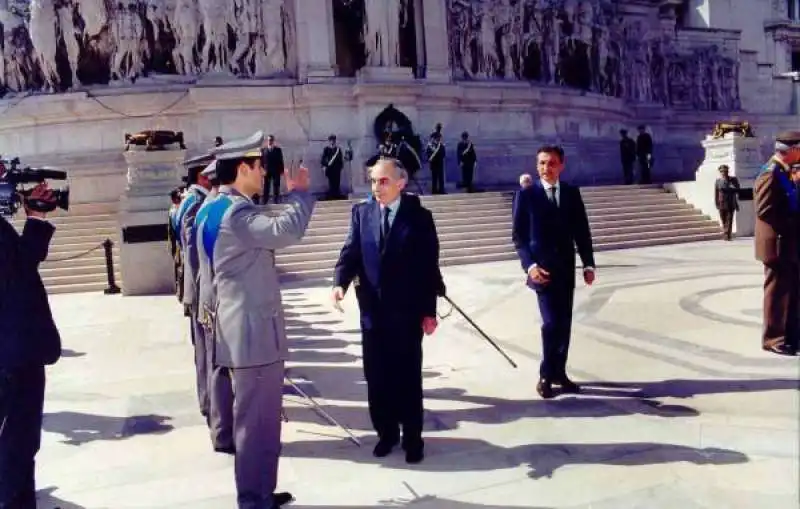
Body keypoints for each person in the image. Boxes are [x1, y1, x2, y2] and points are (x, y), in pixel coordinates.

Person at [206, 131, 315, 508]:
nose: (263, 172)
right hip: (253, 334)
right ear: (242, 169)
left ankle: (261, 493)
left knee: (259, 422)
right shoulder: (237, 212)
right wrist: (299, 193)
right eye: (258, 165)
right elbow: (286, 231)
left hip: (237, 327)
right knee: (257, 424)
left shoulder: (211, 207)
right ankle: (254, 499)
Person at [331, 158, 441, 464]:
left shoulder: (419, 218)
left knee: (407, 377)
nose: (377, 187)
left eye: (383, 181)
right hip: (372, 314)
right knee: (377, 377)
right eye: (373, 181)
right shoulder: (361, 213)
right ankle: (387, 433)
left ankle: (413, 438)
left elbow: (428, 268)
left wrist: (429, 311)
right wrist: (339, 283)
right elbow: (350, 253)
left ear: (401, 183)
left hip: (406, 315)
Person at [512, 145, 596, 399]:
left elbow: (582, 231)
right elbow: (519, 237)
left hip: (566, 269)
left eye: (551, 163)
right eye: (541, 163)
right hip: (541, 270)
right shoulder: (526, 195)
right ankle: (546, 375)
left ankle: (559, 372)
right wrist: (530, 266)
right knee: (550, 324)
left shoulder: (571, 193)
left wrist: (588, 264)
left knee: (564, 324)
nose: (545, 168)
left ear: (561, 165)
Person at [0, 184, 62, 508]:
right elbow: (18, 274)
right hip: (12, 357)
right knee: (16, 445)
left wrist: (35, 218)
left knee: (21, 446)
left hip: (14, 353)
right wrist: (35, 220)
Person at [192, 160, 236, 454]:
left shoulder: (206, 208)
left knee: (214, 364)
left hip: (207, 296)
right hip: (223, 301)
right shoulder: (226, 210)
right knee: (222, 369)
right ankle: (225, 434)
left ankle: (220, 430)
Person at [754, 130, 800, 356]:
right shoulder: (770, 173)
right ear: (791, 150)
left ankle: (792, 336)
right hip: (777, 243)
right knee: (777, 291)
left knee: (792, 290)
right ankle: (773, 338)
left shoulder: (784, 172)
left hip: (789, 242)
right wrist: (792, 222)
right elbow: (763, 210)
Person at [175, 153, 214, 420]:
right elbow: (192, 250)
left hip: (195, 287)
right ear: (203, 175)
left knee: (204, 351)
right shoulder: (196, 202)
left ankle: (209, 400)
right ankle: (210, 402)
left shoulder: (192, 200)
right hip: (201, 287)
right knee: (206, 352)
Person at [714, 164, 740, 241]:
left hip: (730, 203)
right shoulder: (718, 181)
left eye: (725, 171)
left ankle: (727, 235)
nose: (723, 173)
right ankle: (726, 232)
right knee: (723, 219)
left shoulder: (733, 180)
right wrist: (716, 203)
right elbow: (716, 193)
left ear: (727, 171)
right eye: (722, 171)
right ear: (720, 172)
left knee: (729, 219)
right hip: (721, 203)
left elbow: (738, 189)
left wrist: (733, 187)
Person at [260, 134, 285, 205]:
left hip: (276, 171)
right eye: (268, 140)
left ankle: (276, 200)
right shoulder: (263, 150)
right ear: (267, 141)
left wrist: (282, 170)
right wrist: (262, 169)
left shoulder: (278, 150)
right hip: (267, 171)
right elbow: (261, 161)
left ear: (273, 141)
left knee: (276, 186)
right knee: (266, 187)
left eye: (271, 140)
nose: (270, 141)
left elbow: (281, 160)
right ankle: (265, 201)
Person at [320, 134, 344, 199]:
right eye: (331, 140)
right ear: (329, 141)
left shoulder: (338, 149)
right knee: (331, 183)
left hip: (337, 169)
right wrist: (323, 166)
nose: (332, 142)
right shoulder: (326, 149)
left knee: (337, 182)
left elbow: (340, 159)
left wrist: (341, 166)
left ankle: (337, 195)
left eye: (333, 140)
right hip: (330, 169)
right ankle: (332, 195)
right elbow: (323, 158)